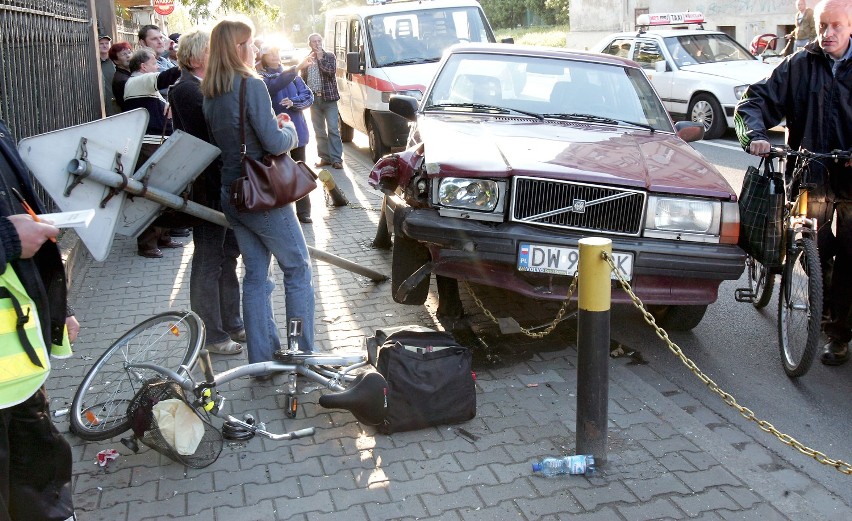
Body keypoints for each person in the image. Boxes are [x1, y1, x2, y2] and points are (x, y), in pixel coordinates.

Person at [734, 0, 852, 366]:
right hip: (809, 173)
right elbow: (753, 102)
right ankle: (827, 312)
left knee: (850, 255)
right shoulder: (800, 64)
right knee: (818, 249)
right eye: (822, 25)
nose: (827, 33)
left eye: (836, 26)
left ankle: (837, 334)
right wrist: (754, 134)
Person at [202, 19, 316, 367]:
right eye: (251, 43)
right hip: (261, 194)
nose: (255, 49)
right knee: (297, 268)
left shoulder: (210, 89)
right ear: (238, 47)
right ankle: (302, 356)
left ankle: (263, 361)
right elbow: (272, 142)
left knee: (255, 276)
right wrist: (290, 133)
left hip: (232, 192)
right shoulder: (249, 85)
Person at [0, 117, 79, 520]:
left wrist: (57, 309)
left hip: (20, 373)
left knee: (40, 481)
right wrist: (8, 240)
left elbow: (24, 214)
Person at [169, 29, 246, 355]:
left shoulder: (199, 87)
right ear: (196, 56)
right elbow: (213, 136)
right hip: (206, 188)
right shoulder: (187, 89)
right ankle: (211, 336)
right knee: (208, 260)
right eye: (210, 50)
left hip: (220, 186)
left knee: (227, 256)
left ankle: (232, 323)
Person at [123, 48, 182, 258]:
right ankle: (147, 243)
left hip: (157, 143)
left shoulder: (143, 83)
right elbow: (168, 76)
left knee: (163, 192)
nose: (158, 66)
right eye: (155, 62)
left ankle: (163, 236)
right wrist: (187, 60)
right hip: (148, 144)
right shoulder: (138, 81)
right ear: (143, 66)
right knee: (149, 193)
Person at [258, 45, 315, 223]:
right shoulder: (262, 78)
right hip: (278, 132)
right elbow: (274, 86)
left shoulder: (293, 76)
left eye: (277, 52)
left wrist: (294, 101)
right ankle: (285, 211)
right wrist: (297, 67)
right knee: (280, 173)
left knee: (301, 170)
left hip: (297, 129)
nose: (275, 56)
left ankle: (304, 211)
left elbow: (308, 95)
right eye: (271, 54)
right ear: (263, 57)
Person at [301, 33, 343, 170]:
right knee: (319, 130)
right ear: (310, 44)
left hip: (329, 99)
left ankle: (336, 159)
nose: (317, 43)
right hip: (314, 100)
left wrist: (320, 59)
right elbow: (303, 80)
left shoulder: (329, 56)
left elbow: (330, 72)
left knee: (333, 129)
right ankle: (325, 158)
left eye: (319, 40)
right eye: (314, 41)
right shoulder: (306, 59)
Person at [107, 41, 132, 113]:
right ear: (116, 61)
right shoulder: (121, 80)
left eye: (129, 52)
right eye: (123, 54)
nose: (128, 56)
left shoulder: (131, 73)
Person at [98, 34, 119, 116]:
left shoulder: (116, 61)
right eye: (101, 43)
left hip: (115, 104)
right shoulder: (93, 63)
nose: (104, 46)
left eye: (106, 43)